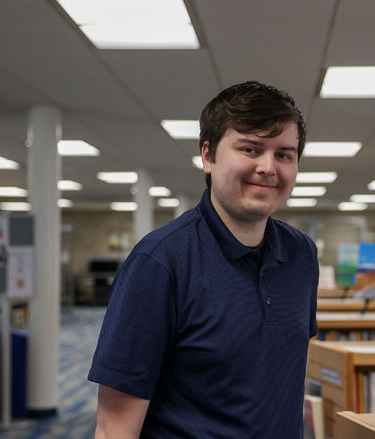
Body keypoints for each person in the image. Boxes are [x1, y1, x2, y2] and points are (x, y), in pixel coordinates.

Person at [88, 81, 319, 438]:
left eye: (284, 154)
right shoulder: (159, 262)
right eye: (250, 149)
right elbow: (113, 427)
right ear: (208, 156)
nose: (268, 167)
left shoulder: (302, 255)